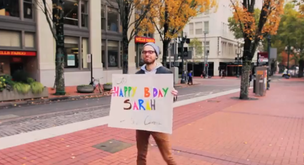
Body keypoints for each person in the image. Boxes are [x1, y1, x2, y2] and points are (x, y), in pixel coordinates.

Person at [135, 42, 178, 165]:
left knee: (168, 156)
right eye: (144, 52)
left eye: (150, 52)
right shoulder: (138, 75)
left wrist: (174, 95)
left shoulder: (165, 73)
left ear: (156, 55)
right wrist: (118, 93)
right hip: (141, 120)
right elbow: (133, 95)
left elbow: (169, 97)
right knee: (141, 155)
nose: (147, 54)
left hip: (159, 121)